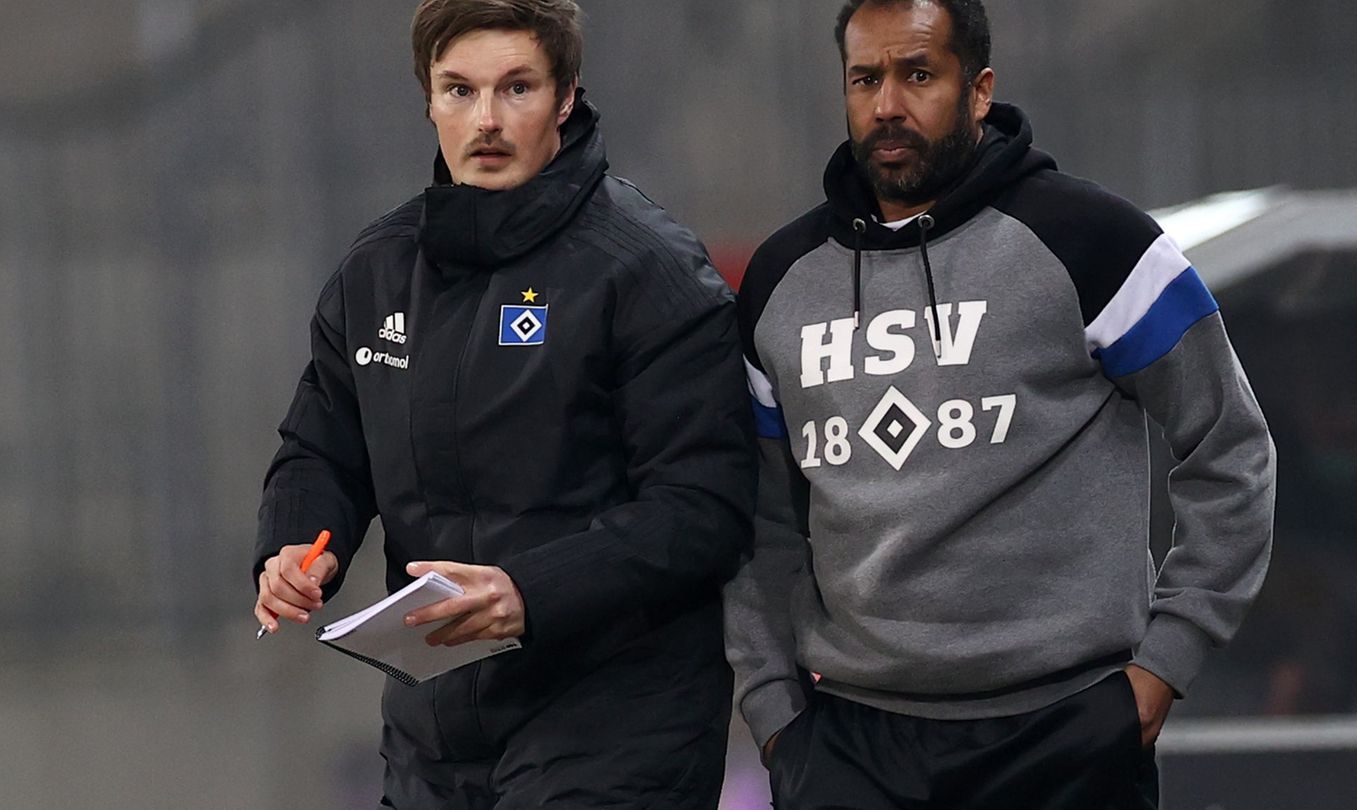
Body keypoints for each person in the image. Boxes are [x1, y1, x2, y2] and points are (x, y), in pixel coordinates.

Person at [723, 1, 1276, 807]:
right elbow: (756, 519)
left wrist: (1164, 664)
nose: (888, 105)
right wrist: (776, 715)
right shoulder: (781, 281)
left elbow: (1230, 448)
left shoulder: (1095, 241)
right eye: (865, 79)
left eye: (918, 75)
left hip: (1067, 729)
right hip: (850, 746)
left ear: (978, 90)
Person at [251, 1, 755, 807]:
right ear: (428, 99)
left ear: (566, 96)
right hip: (433, 730)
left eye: (516, 88)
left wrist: (528, 591)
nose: (485, 119)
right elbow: (322, 450)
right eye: (459, 90)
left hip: (616, 720)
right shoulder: (377, 269)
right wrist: (295, 548)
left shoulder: (647, 269)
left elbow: (704, 508)